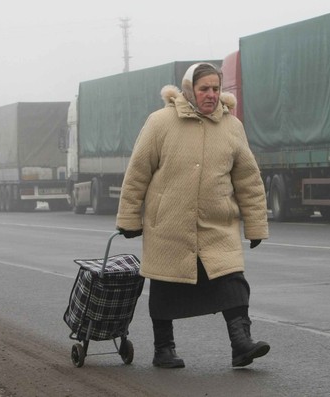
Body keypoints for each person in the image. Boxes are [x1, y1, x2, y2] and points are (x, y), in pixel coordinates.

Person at [116, 62, 270, 369]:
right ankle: (164, 349)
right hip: (169, 225)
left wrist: (255, 225)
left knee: (233, 280)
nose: (212, 95)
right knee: (165, 286)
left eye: (216, 88)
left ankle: (241, 344)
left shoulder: (231, 126)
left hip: (217, 225)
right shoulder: (160, 123)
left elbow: (248, 180)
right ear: (189, 90)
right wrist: (129, 219)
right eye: (205, 89)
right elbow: (137, 173)